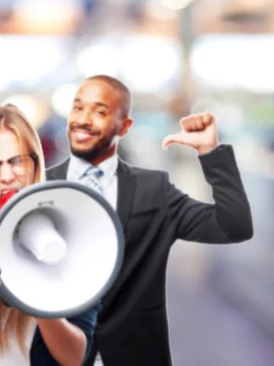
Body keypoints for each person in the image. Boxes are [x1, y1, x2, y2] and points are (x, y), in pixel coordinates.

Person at [46, 75, 253, 366]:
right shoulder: (40, 188)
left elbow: (233, 226)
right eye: (78, 108)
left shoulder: (153, 190)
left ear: (124, 126)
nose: (83, 119)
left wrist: (210, 153)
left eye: (100, 112)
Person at [0, 103, 100, 366]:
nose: (6, 175)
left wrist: (37, 291)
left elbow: (75, 357)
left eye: (16, 161)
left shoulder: (71, 238)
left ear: (35, 163)